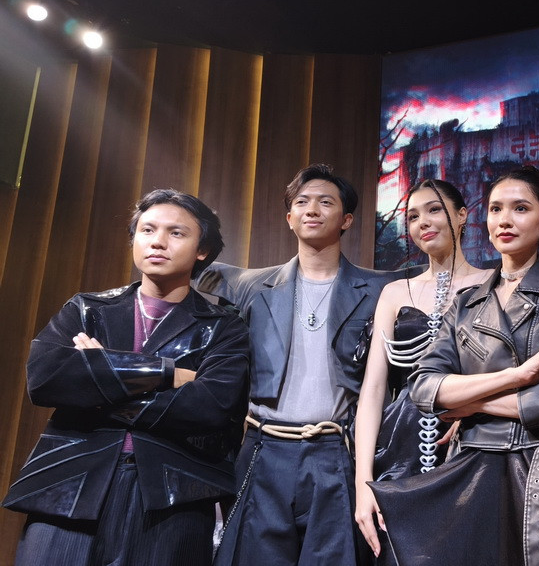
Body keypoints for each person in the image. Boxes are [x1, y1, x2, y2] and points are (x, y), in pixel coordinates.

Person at [369, 166, 539, 566]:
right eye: (496, 209)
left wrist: (473, 404)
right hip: (470, 467)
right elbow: (424, 387)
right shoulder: (466, 304)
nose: (505, 220)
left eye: (520, 208)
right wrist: (517, 375)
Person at [2, 189, 250, 566]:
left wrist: (102, 373)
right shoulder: (87, 309)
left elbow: (211, 406)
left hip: (174, 495)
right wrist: (168, 373)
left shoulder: (223, 327)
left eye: (176, 233)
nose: (158, 241)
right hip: (70, 483)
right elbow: (45, 378)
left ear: (203, 249)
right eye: (147, 230)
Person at [196, 164, 407, 566]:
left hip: (337, 451)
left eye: (325, 202)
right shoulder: (250, 285)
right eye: (302, 202)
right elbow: (187, 268)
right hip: (262, 449)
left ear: (347, 219)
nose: (312, 209)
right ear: (289, 217)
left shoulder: (383, 288)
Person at [352, 179, 489, 563]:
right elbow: (373, 391)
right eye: (412, 216)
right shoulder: (395, 292)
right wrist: (363, 482)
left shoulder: (491, 284)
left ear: (461, 216)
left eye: (434, 209)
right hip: (398, 448)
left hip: (468, 443)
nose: (422, 222)